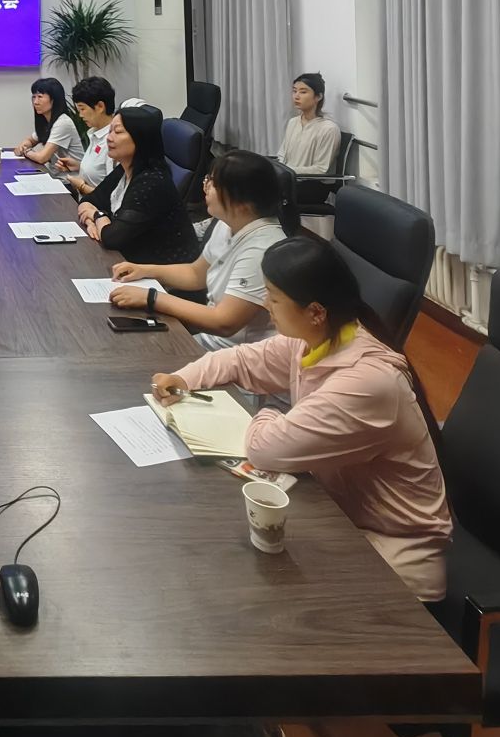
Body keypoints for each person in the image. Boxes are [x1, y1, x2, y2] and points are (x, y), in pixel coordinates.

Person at [151, 237, 451, 600]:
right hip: (339, 517)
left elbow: (264, 449)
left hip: (394, 558)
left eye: (274, 297)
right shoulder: (317, 339)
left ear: (315, 312)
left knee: (240, 589)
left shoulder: (367, 382)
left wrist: (271, 412)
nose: (265, 304)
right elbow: (241, 360)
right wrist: (184, 378)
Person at [110, 150, 284, 349]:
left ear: (243, 204)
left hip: (235, 355)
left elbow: (224, 322)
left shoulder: (262, 250)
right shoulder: (229, 222)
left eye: (214, 184)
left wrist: (151, 298)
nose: (206, 187)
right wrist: (145, 270)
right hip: (208, 341)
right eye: (208, 179)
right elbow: (196, 274)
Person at [74, 103, 203, 274]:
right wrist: (92, 221)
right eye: (110, 131)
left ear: (140, 138)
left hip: (163, 276)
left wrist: (97, 215)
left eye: (118, 132)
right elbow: (89, 200)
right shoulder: (125, 168)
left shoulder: (151, 183)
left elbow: (112, 238)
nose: (109, 138)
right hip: (129, 261)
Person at [54, 75, 116, 196]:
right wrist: (79, 166)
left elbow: (112, 196)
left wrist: (81, 186)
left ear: (100, 107)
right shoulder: (95, 134)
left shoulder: (113, 141)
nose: (80, 115)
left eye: (82, 109)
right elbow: (100, 173)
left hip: (97, 206)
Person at [279, 71, 341, 175]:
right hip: (288, 177)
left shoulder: (329, 129)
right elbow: (282, 156)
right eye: (294, 91)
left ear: (318, 97)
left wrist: (287, 171)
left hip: (309, 181)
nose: (296, 96)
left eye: (303, 92)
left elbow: (320, 169)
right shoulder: (293, 122)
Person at [14, 76, 81, 168]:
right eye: (34, 97)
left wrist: (26, 151)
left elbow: (42, 158)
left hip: (70, 176)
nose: (35, 102)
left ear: (54, 99)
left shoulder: (63, 123)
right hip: (54, 174)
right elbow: (30, 140)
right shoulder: (47, 121)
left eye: (40, 97)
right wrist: (24, 146)